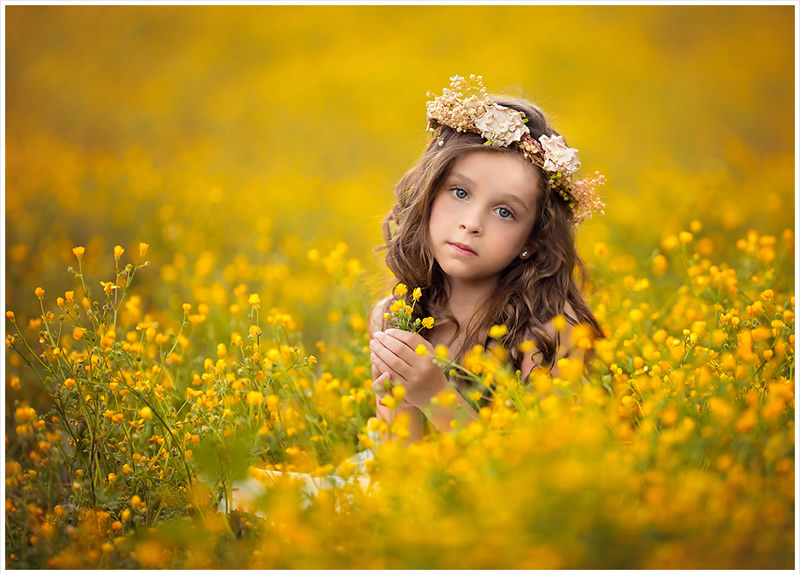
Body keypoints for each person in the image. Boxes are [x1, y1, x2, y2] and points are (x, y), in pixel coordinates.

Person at [368, 74, 605, 443]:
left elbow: (535, 482)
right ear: (429, 194)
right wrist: (405, 403)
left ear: (532, 239)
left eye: (505, 212)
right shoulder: (394, 315)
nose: (472, 223)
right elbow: (401, 468)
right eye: (460, 192)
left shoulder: (553, 336)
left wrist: (436, 395)